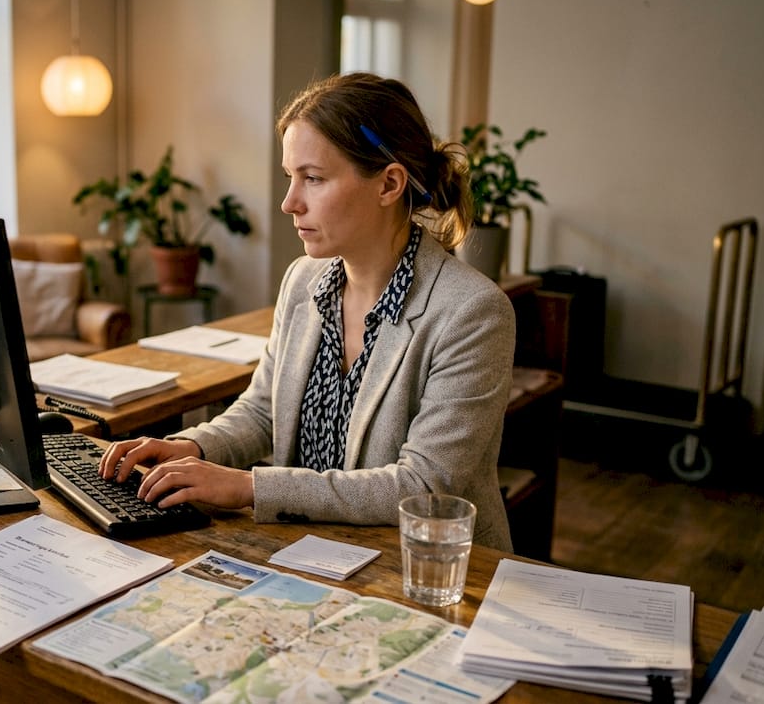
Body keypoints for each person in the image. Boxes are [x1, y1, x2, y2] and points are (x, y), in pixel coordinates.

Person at [98, 72, 517, 551]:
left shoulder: (474, 313)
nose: (288, 203)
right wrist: (192, 448)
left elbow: (421, 486)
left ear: (389, 184)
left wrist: (246, 487)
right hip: (308, 551)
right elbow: (262, 413)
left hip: (422, 568)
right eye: (290, 177)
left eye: (313, 179)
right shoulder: (303, 281)